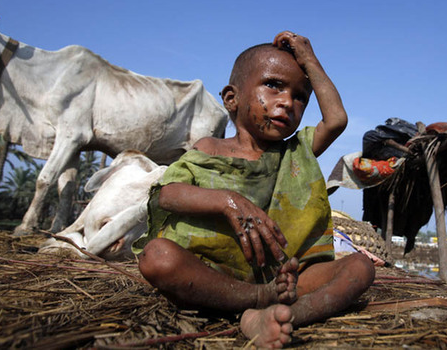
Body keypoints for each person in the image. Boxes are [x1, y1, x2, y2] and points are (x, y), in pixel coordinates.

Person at [134, 31, 375, 348]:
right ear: (231, 98)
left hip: (285, 280)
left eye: (300, 96)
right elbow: (168, 194)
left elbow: (336, 119)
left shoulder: (296, 152)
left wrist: (309, 59)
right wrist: (227, 201)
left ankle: (284, 317)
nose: (288, 102)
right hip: (212, 275)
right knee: (157, 257)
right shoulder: (210, 149)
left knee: (360, 267)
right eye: (274, 86)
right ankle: (256, 302)